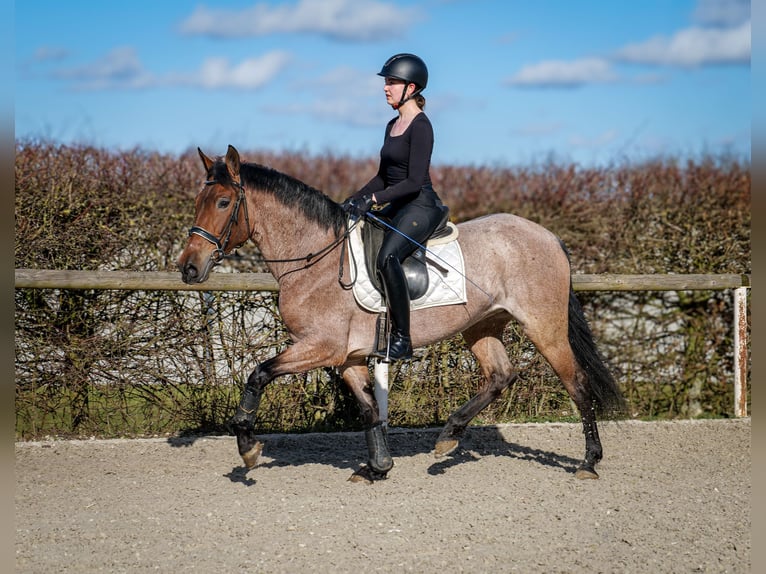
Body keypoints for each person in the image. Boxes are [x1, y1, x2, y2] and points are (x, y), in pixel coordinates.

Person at [343, 53, 448, 361]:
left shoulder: (421, 127)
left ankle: (402, 339)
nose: (385, 88)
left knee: (388, 256)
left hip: (420, 206)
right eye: (386, 83)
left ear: (410, 88)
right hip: (397, 206)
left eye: (391, 83)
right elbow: (383, 177)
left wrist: (374, 200)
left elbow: (414, 181)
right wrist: (355, 198)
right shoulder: (392, 125)